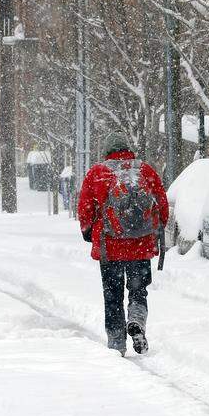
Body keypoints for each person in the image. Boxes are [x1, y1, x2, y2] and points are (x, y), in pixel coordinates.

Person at [77, 132, 169, 356]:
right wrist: (156, 229)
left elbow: (85, 208)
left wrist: (88, 231)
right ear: (128, 149)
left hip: (110, 247)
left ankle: (117, 344)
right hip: (140, 246)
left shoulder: (97, 173)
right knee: (138, 291)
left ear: (107, 151)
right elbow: (161, 204)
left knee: (112, 295)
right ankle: (136, 319)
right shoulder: (144, 170)